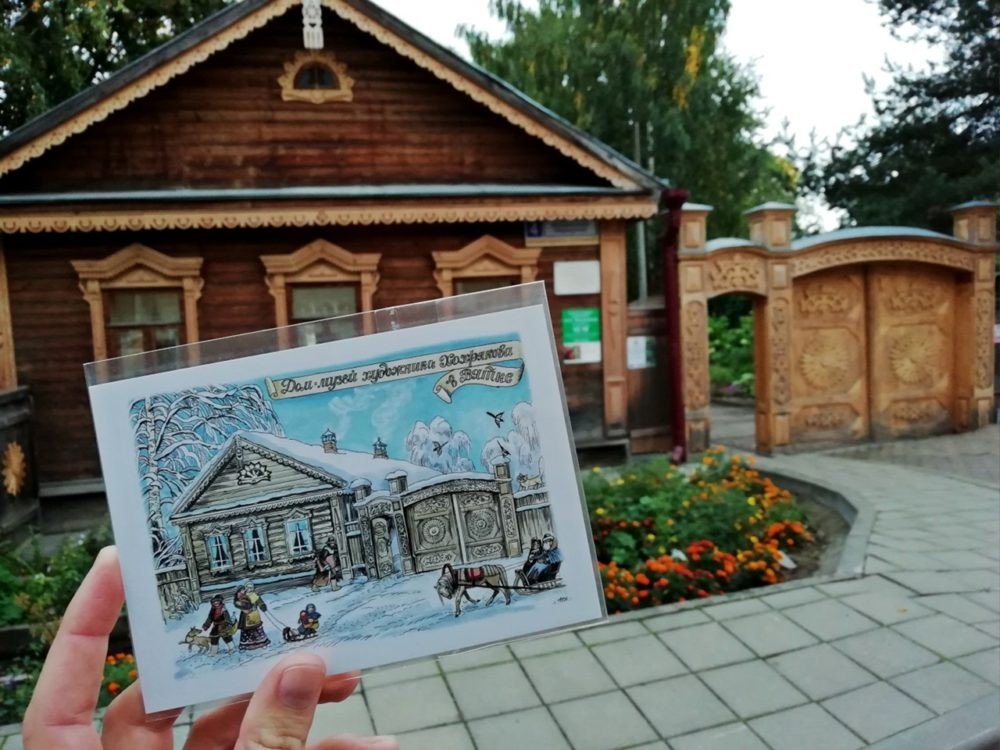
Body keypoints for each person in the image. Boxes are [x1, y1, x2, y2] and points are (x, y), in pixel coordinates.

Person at [21, 546, 397, 749]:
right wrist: (226, 616)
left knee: (251, 633)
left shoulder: (249, 601)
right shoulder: (232, 603)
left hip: (250, 621)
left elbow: (255, 606)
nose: (240, 593)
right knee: (243, 635)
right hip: (241, 622)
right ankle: (240, 645)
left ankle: (250, 643)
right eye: (239, 592)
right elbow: (228, 612)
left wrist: (257, 608)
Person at [234, 582, 270, 651]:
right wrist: (242, 606)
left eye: (250, 587)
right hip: (245, 615)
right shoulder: (242, 595)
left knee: (256, 628)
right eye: (247, 587)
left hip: (254, 614)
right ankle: (246, 645)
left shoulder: (255, 595)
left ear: (253, 588)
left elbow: (259, 601)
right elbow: (237, 603)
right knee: (247, 630)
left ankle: (261, 643)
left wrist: (262, 606)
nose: (249, 589)